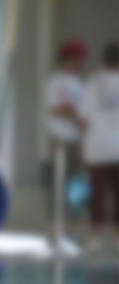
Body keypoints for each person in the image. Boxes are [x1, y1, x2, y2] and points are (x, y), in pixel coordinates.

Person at [44, 38, 87, 252]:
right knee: (57, 184)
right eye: (76, 59)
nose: (79, 63)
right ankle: (55, 228)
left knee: (76, 186)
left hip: (75, 139)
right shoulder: (55, 82)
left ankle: (71, 228)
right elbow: (55, 108)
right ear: (66, 59)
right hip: (58, 138)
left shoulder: (78, 83)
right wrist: (76, 116)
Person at [79, 41, 119, 252]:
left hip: (97, 145)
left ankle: (95, 238)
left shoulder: (92, 83)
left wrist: (82, 143)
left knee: (98, 193)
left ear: (104, 60)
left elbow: (83, 118)